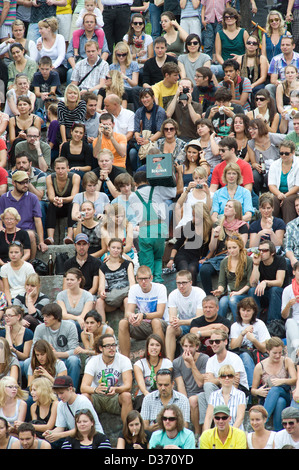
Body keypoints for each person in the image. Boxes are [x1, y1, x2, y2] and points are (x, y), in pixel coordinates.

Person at [128, 170, 180, 283]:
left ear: (135, 183)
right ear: (147, 180)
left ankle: (149, 285)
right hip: (160, 229)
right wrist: (179, 173)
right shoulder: (157, 189)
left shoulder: (132, 197)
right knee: (158, 258)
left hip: (145, 230)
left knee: (147, 262)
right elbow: (175, 191)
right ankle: (158, 281)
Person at [197, 329, 249, 425]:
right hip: (220, 392)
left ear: (225, 341)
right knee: (200, 396)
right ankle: (207, 427)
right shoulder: (210, 360)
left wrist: (216, 380)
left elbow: (235, 384)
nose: (214, 344)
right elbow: (207, 383)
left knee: (209, 388)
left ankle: (218, 419)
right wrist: (223, 380)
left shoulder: (234, 358)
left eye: (217, 341)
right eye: (211, 342)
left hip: (237, 393)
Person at [199, 199, 250, 295]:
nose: (226, 207)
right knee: (204, 270)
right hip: (218, 257)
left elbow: (242, 246)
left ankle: (226, 294)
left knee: (227, 265)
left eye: (229, 206)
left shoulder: (242, 226)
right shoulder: (218, 224)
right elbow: (212, 248)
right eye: (226, 205)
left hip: (235, 257)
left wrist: (231, 256)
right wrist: (215, 235)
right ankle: (209, 296)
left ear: (236, 211)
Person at [80, 333, 133, 424]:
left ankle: (127, 431)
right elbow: (83, 387)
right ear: (101, 348)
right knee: (84, 397)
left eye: (113, 345)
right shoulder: (93, 361)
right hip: (97, 397)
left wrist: (116, 389)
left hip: (115, 397)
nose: (112, 348)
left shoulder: (124, 360)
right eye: (108, 346)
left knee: (126, 396)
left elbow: (128, 386)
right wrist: (96, 389)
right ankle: (85, 434)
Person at [118, 265, 168, 358]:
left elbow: (160, 314)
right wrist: (132, 317)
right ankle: (125, 362)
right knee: (123, 323)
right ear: (136, 279)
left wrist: (143, 315)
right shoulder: (134, 289)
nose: (143, 282)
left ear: (151, 278)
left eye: (146, 278)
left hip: (161, 324)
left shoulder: (160, 288)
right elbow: (128, 312)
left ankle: (161, 358)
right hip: (143, 325)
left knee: (156, 321)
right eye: (141, 279)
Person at [29, 303, 81, 391]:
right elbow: (33, 349)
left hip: (65, 358)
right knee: (27, 362)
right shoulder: (39, 328)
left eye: (48, 316)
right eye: (44, 316)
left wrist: (56, 354)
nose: (44, 319)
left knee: (74, 360)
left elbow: (74, 350)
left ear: (56, 317)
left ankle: (72, 390)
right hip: (46, 359)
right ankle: (35, 390)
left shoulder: (70, 326)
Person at [251, 337, 297, 431]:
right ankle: (278, 432)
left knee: (276, 390)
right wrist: (258, 392)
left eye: (280, 352)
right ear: (268, 351)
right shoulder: (260, 366)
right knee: (280, 402)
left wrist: (282, 381)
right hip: (267, 398)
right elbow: (253, 390)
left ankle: (263, 420)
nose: (278, 355)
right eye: (275, 353)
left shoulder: (286, 361)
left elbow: (294, 379)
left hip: (285, 393)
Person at [43, 375, 103, 446]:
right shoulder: (61, 404)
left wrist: (59, 435)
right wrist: (50, 433)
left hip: (92, 437)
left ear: (70, 389)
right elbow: (60, 428)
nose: (59, 396)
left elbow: (83, 427)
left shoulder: (83, 401)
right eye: (57, 394)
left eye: (61, 393)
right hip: (77, 437)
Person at [230, 297, 271, 389]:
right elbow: (233, 348)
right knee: (245, 356)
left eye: (248, 311)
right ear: (239, 311)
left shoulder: (259, 324)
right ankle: (252, 388)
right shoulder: (235, 326)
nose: (245, 313)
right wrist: (242, 334)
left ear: (253, 312)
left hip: (258, 354)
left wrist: (253, 340)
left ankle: (252, 388)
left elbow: (265, 348)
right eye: (243, 310)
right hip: (242, 356)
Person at [173, 333, 209, 438]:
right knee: (185, 400)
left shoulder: (204, 358)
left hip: (201, 393)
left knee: (193, 400)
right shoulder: (177, 362)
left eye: (191, 346)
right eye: (185, 346)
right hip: (187, 394)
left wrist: (192, 363)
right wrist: (184, 400)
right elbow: (180, 385)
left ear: (197, 347)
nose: (188, 349)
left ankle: (197, 433)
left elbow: (200, 383)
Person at [165, 270, 205, 361]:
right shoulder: (173, 295)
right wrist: (174, 322)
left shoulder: (199, 293)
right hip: (182, 326)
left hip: (198, 325)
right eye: (178, 283)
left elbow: (199, 319)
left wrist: (180, 322)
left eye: (184, 283)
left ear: (190, 282)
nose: (181, 286)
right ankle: (169, 362)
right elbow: (172, 316)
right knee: (170, 328)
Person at [211, 233, 253, 320]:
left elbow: (250, 283)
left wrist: (239, 292)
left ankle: (239, 324)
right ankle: (220, 326)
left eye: (234, 247)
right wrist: (220, 290)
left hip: (244, 293)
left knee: (233, 300)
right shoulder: (224, 262)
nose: (231, 250)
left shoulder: (248, 260)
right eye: (229, 248)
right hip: (232, 293)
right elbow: (221, 282)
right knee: (222, 302)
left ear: (240, 247)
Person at [248, 239, 289, 323]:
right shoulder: (258, 261)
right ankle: (253, 321)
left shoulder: (280, 260)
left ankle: (273, 323)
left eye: (265, 250)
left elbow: (279, 282)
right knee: (252, 290)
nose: (261, 253)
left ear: (272, 253)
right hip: (265, 293)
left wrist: (265, 282)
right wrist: (256, 265)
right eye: (259, 250)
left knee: (274, 289)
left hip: (279, 294)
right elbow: (253, 284)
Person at [44, 157, 80, 245]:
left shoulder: (75, 177)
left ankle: (69, 236)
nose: (60, 171)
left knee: (73, 205)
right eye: (58, 168)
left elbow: (74, 196)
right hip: (56, 204)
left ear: (68, 168)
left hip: (69, 204)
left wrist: (62, 200)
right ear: (54, 168)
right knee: (51, 206)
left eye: (63, 168)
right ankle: (50, 237)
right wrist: (56, 200)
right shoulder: (49, 178)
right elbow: (51, 197)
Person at [129, 87, 166, 173]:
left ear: (153, 97)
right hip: (142, 140)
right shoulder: (139, 111)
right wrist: (138, 138)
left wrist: (148, 141)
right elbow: (136, 130)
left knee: (151, 151)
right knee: (132, 153)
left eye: (147, 97)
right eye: (142, 98)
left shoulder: (160, 111)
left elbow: (160, 132)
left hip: (155, 140)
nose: (144, 100)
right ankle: (137, 173)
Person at [97, 238, 135, 319]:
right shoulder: (102, 267)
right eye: (113, 247)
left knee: (127, 300)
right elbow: (101, 286)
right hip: (112, 299)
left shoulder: (127, 264)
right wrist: (102, 292)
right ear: (108, 248)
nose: (115, 250)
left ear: (121, 250)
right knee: (99, 301)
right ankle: (102, 327)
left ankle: (126, 324)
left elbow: (132, 283)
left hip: (124, 296)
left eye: (118, 248)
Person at [133, 333, 173, 411]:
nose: (154, 348)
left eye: (157, 345)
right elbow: (142, 386)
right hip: (144, 396)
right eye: (152, 345)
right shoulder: (139, 364)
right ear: (147, 347)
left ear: (161, 348)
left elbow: (167, 383)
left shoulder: (167, 363)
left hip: (163, 393)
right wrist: (150, 397)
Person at [247, 119, 285, 195]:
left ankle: (271, 196)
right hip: (261, 169)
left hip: (275, 167)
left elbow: (289, 138)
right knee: (254, 176)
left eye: (254, 128)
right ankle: (257, 197)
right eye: (250, 129)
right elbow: (253, 162)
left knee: (270, 176)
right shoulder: (250, 143)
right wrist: (255, 165)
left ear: (261, 128)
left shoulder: (272, 137)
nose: (251, 131)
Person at [202, 364, 247, 431]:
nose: (227, 378)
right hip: (218, 434)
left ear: (234, 378)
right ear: (219, 379)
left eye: (230, 376)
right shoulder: (213, 395)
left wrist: (230, 433)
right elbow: (208, 417)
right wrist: (205, 434)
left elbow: (240, 418)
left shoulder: (241, 395)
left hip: (235, 433)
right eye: (223, 376)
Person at [268, 139, 299, 224]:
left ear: (293, 152)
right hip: (278, 193)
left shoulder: (298, 164)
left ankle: (288, 228)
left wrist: (284, 196)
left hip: (294, 193)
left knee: (287, 201)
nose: (283, 155)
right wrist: (279, 194)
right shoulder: (274, 164)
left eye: (286, 153)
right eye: (281, 153)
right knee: (272, 199)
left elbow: (297, 186)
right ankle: (271, 226)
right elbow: (271, 185)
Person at [57, 268, 94, 334]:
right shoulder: (61, 295)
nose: (69, 282)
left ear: (79, 280)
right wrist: (77, 318)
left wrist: (78, 319)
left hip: (82, 325)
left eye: (72, 280)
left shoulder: (88, 295)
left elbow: (84, 316)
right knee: (70, 323)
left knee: (73, 324)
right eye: (67, 279)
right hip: (67, 325)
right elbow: (63, 315)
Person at [8, 96, 42, 167]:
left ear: (30, 106)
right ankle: (16, 165)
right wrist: (18, 136)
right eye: (20, 105)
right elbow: (11, 140)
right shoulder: (12, 120)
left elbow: (37, 138)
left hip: (32, 145)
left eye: (24, 104)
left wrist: (27, 137)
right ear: (17, 107)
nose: (22, 107)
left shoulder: (36, 119)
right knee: (18, 141)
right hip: (17, 146)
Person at [0, 305, 33, 379]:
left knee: (24, 363)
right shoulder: (2, 333)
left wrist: (14, 350)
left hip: (21, 361)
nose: (6, 318)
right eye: (5, 316)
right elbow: (6, 353)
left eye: (10, 316)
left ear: (18, 317)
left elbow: (25, 356)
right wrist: (7, 332)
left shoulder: (27, 333)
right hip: (5, 362)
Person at [0, 242, 35, 307]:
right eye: (11, 252)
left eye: (16, 252)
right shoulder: (4, 268)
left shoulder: (28, 267)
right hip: (11, 297)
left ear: (21, 253)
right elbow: (6, 289)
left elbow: (32, 286)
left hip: (25, 296)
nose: (13, 255)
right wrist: (9, 303)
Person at [109, 41, 140, 111]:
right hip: (117, 90)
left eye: (123, 55)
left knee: (132, 90)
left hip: (130, 90)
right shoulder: (112, 67)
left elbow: (135, 84)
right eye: (118, 55)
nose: (121, 57)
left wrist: (126, 78)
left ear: (127, 54)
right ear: (115, 55)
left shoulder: (133, 65)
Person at [267, 35, 299, 101]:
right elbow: (273, 80)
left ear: (293, 46)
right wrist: (281, 84)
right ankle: (274, 110)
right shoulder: (275, 60)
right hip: (282, 86)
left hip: (297, 85)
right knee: (269, 87)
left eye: (287, 45)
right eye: (282, 45)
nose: (285, 47)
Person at [36, 17, 66, 83]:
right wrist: (39, 51)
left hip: (58, 66)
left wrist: (52, 66)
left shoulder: (60, 38)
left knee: (52, 73)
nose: (39, 31)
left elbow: (61, 56)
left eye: (41, 29)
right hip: (44, 67)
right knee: (39, 73)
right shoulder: (39, 40)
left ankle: (54, 92)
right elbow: (38, 59)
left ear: (48, 29)